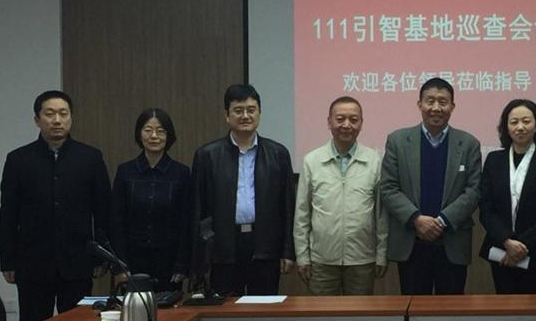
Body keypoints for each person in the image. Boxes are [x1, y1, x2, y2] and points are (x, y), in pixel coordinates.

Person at [0, 90, 111, 321]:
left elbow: (103, 210)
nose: (57, 120)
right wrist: (7, 260)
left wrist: (102, 256)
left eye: (63, 113)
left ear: (71, 118)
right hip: (32, 264)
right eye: (50, 114)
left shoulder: (90, 158)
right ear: (37, 120)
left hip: (77, 261)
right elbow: (8, 213)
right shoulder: (18, 160)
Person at [191, 84, 295, 296]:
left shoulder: (278, 154)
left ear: (259, 113)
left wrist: (288, 250)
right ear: (226, 115)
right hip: (223, 248)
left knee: (264, 310)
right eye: (238, 110)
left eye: (251, 110)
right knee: (225, 310)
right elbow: (197, 209)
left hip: (265, 246)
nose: (245, 116)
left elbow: (287, 207)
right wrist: (199, 256)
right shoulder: (207, 156)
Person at [381, 77, 481, 295]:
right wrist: (417, 219)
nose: (436, 107)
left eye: (443, 102)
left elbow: (474, 191)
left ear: (452, 106)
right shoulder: (398, 141)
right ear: (420, 104)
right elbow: (388, 188)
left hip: (452, 242)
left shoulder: (468, 143)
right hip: (411, 241)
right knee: (414, 307)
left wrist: (442, 221)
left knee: (450, 309)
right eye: (430, 101)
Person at [293, 96, 388, 296]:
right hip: (321, 261)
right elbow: (302, 214)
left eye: (353, 119)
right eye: (340, 119)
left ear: (361, 123)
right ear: (329, 122)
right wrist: (302, 256)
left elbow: (381, 215)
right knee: (323, 315)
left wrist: (381, 254)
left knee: (360, 315)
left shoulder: (374, 161)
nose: (346, 125)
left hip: (362, 260)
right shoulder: (312, 161)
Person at [478, 99, 536, 294]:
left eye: (526, 121)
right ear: (506, 127)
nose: (520, 127)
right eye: (514, 122)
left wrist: (521, 245)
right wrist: (507, 242)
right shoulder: (494, 160)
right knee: (505, 309)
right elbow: (486, 208)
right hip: (501, 252)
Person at [109, 109, 191, 293]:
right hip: (132, 262)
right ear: (139, 134)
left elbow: (186, 223)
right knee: (134, 310)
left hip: (169, 263)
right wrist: (120, 266)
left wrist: (182, 265)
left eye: (161, 131)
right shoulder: (125, 172)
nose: (154, 136)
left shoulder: (181, 173)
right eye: (148, 130)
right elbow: (116, 222)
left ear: (169, 136)